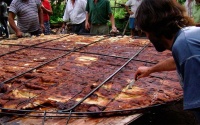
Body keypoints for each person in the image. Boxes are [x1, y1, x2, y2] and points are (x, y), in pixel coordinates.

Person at [134, 0, 200, 122]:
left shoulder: (185, 46)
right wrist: (150, 70)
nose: (147, 37)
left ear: (154, 27)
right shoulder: (188, 36)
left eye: (145, 32)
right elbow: (177, 61)